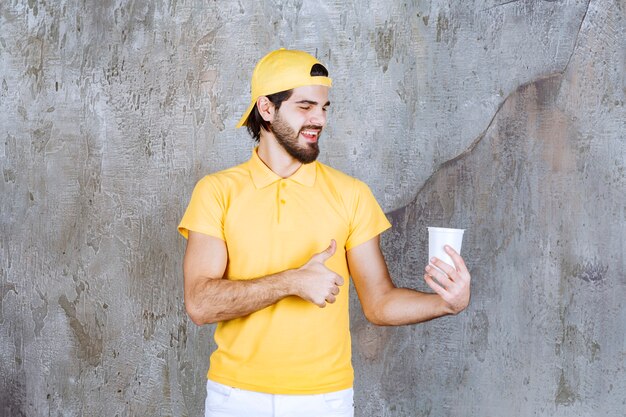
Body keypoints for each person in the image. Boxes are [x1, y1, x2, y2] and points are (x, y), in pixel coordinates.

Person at [178, 48, 471, 417]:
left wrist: (447, 303)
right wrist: (292, 282)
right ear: (266, 109)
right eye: (305, 106)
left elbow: (379, 302)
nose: (319, 118)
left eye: (324, 107)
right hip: (235, 396)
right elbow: (201, 304)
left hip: (324, 400)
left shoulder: (351, 194)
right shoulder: (216, 192)